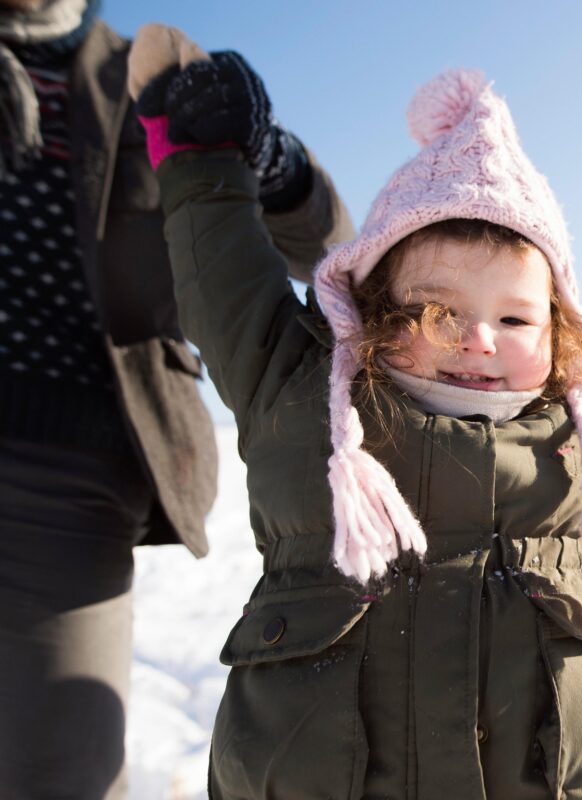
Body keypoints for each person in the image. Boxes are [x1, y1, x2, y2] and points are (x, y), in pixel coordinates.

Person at [128, 23, 582, 798]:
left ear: (561, 328)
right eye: (438, 311)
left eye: (516, 318)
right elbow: (225, 278)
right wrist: (198, 157)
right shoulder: (300, 394)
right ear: (374, 312)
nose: (479, 340)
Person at [0, 2, 352, 797]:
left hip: (64, 472)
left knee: (60, 775)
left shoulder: (151, 80)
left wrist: (266, 155)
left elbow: (329, 248)